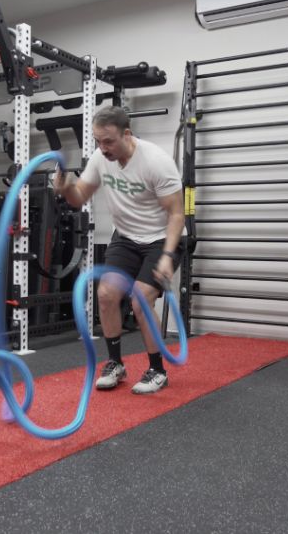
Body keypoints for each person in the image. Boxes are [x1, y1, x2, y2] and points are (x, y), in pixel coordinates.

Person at [54, 106, 184, 394]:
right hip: (125, 237)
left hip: (162, 237)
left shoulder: (156, 162)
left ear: (127, 134)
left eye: (109, 141)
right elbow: (79, 198)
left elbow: (177, 214)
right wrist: (65, 188)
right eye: (98, 141)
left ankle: (157, 369)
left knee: (140, 300)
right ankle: (116, 364)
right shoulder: (101, 159)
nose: (103, 147)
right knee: (105, 294)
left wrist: (166, 257)